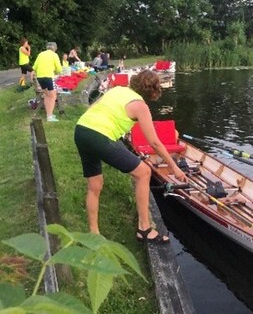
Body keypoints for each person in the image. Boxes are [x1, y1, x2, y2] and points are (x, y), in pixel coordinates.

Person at [74, 69, 187, 242]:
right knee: (143, 172)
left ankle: (93, 233)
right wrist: (174, 167)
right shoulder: (141, 106)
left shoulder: (117, 90)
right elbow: (154, 143)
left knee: (94, 185)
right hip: (99, 136)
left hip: (81, 130)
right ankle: (144, 229)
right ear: (153, 90)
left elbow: (93, 108)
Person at [32, 42, 62, 122]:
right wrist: (59, 73)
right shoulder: (54, 55)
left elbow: (34, 67)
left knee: (47, 95)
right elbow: (59, 69)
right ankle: (49, 117)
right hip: (48, 77)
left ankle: (49, 114)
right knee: (53, 96)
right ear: (55, 48)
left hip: (40, 78)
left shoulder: (40, 54)